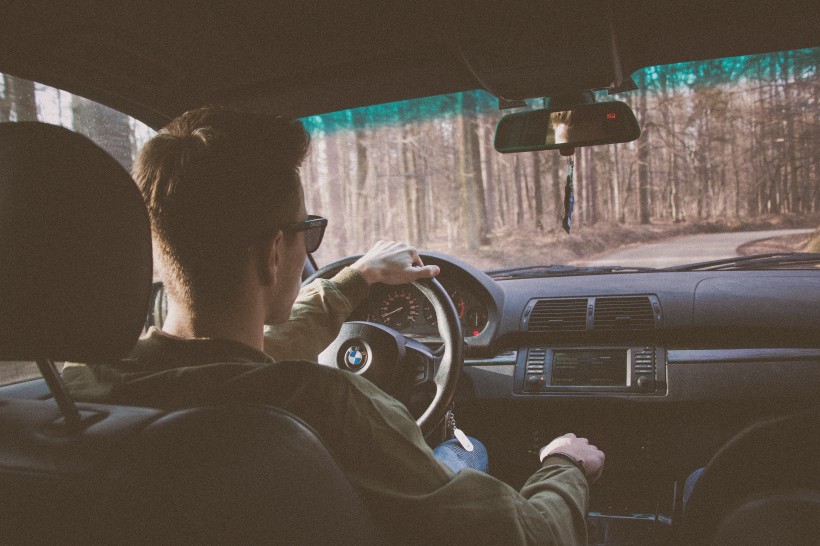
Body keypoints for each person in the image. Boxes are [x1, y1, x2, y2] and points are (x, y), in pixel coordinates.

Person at [64, 106, 604, 545]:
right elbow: (529, 536)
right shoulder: (326, 407)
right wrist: (564, 468)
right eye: (309, 231)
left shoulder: (72, 393)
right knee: (469, 453)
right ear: (277, 253)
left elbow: (255, 352)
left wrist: (358, 278)